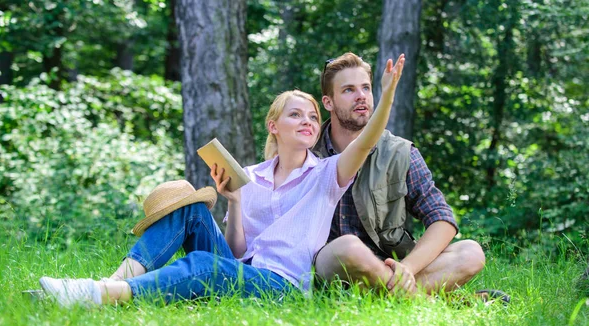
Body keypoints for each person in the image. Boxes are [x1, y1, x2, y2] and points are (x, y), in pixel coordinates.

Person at [38, 55, 407, 307]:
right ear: (273, 126)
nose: (308, 121)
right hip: (242, 270)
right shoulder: (250, 177)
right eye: (296, 115)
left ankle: (103, 296)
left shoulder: (329, 174)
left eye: (312, 115)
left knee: (204, 265)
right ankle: (111, 281)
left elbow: (367, 140)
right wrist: (234, 201)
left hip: (281, 286)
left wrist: (387, 93)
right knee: (192, 208)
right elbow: (234, 254)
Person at [311, 52, 487, 296]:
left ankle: (385, 296)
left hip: (391, 264)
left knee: (471, 253)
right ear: (328, 102)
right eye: (349, 90)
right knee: (348, 248)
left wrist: (407, 268)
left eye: (366, 88)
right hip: (335, 265)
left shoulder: (399, 152)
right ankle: (426, 300)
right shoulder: (308, 152)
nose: (361, 96)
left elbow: (442, 220)